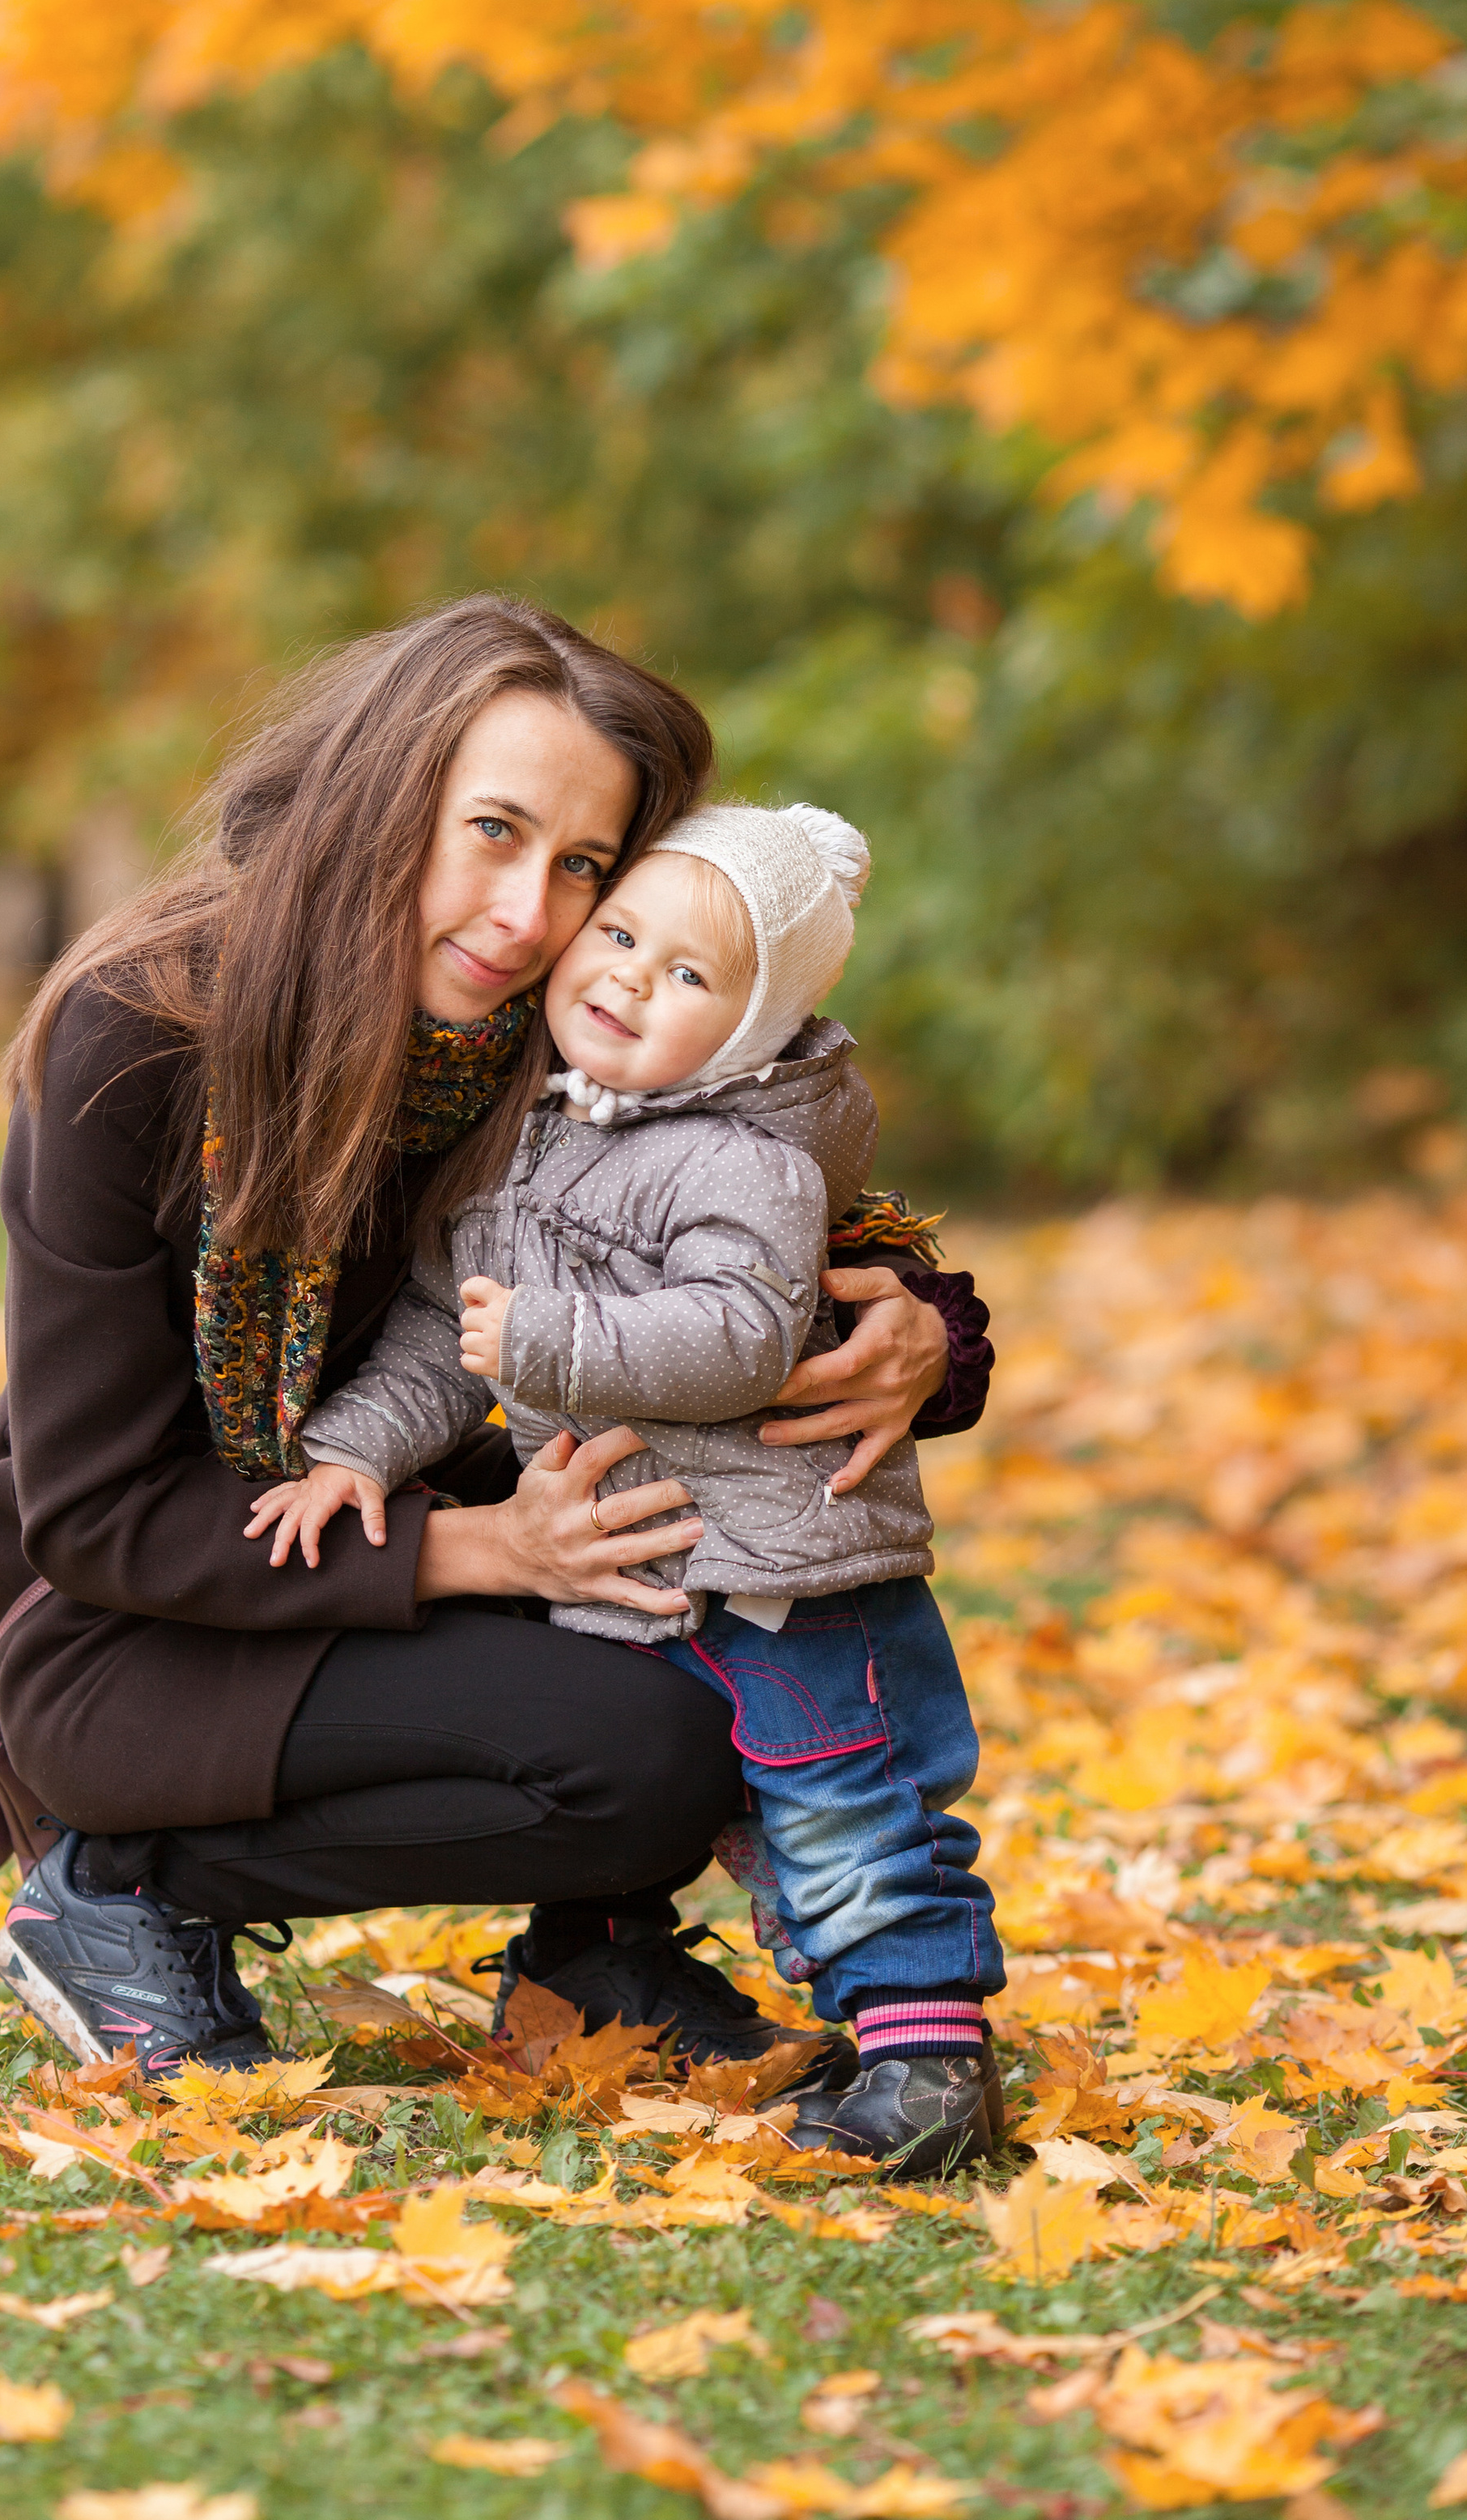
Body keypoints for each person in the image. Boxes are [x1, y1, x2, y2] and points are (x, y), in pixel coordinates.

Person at [0, 597, 993, 2080]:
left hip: (414, 1522)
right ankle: (123, 1892)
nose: (526, 915)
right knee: (652, 1756)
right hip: (137, 1622)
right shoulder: (139, 1032)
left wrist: (924, 1338)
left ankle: (594, 1962)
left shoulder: (562, 1022)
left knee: (716, 1630)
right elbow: (96, 1514)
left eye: (582, 868)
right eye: (491, 831)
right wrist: (490, 1554)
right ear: (381, 803)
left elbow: (769, 1232)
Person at [266, 801, 1004, 2171]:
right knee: (671, 1795)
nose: (624, 979)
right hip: (643, 1560)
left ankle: (927, 2063)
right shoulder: (531, 1135)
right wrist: (354, 1449)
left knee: (844, 1809)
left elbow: (738, 1341)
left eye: (689, 978)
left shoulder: (752, 1160)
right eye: (616, 937)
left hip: (789, 1572)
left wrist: (546, 1342)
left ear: (752, 1031)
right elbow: (444, 1328)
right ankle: (598, 1974)